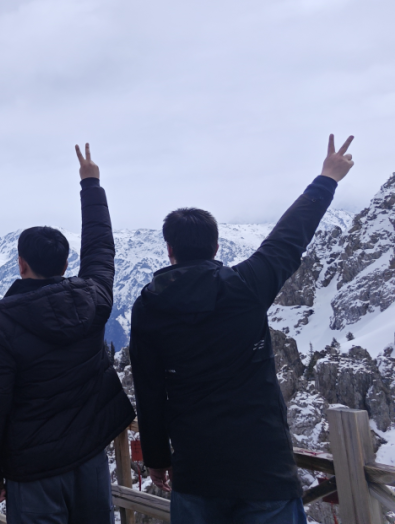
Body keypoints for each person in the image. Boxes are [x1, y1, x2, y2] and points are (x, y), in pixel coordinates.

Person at [130, 135, 356, 524]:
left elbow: (148, 389)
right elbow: (288, 240)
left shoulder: (148, 306)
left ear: (170, 250)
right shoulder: (246, 285)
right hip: (264, 469)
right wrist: (327, 179)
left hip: (195, 469)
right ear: (216, 247)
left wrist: (156, 458)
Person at [0, 144, 134, 524]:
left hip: (33, 470)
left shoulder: (3, 325)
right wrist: (91, 184)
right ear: (65, 265)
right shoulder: (92, 300)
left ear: (21, 265)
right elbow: (100, 250)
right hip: (90, 458)